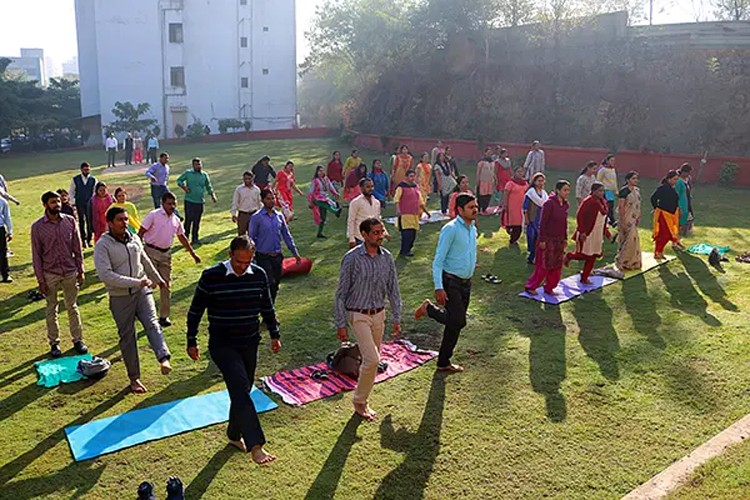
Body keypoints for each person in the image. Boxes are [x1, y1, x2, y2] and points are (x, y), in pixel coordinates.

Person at [186, 235, 281, 464]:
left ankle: (233, 434)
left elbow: (266, 307)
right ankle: (255, 445)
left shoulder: (258, 275)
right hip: (222, 345)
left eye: (247, 262)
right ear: (230, 255)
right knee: (239, 388)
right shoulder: (211, 276)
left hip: (249, 342)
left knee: (243, 390)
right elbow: (196, 310)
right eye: (239, 261)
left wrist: (274, 334)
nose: (242, 266)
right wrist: (192, 340)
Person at [94, 206, 171, 394]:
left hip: (142, 293)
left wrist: (159, 280)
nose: (125, 223)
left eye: (126, 219)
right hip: (120, 298)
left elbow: (144, 261)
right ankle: (134, 378)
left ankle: (163, 358)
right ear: (110, 223)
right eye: (120, 220)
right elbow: (106, 275)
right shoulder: (103, 245)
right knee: (128, 337)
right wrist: (138, 281)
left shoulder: (134, 239)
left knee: (152, 324)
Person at [335, 218, 402, 420]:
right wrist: (341, 323)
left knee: (371, 360)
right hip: (358, 314)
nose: (380, 236)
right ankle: (360, 401)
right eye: (375, 232)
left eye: (382, 232)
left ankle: (364, 399)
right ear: (363, 234)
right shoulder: (352, 258)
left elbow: (393, 289)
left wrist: (397, 317)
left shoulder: (387, 257)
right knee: (373, 359)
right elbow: (340, 293)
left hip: (379, 314)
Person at [414, 194, 478, 373]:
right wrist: (438, 287)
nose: (475, 210)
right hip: (451, 282)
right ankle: (429, 309)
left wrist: (470, 264)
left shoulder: (472, 229)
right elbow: (438, 261)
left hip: (466, 283)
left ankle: (443, 362)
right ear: (460, 210)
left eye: (476, 206)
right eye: (471, 207)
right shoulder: (450, 229)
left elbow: (466, 251)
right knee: (459, 321)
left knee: (454, 325)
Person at [31, 191, 88, 358]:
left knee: (72, 307)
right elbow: (36, 255)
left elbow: (77, 248)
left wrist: (81, 270)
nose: (57, 204)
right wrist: (40, 280)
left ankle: (77, 340)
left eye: (58, 201)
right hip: (50, 273)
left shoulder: (70, 222)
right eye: (52, 202)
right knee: (51, 308)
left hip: (70, 271)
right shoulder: (38, 227)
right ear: (45, 205)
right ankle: (54, 343)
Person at [139, 191, 201, 327]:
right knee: (151, 283)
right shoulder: (153, 215)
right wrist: (137, 252)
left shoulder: (176, 219)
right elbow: (141, 232)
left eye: (174, 204)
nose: (172, 206)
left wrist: (193, 254)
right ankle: (144, 313)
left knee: (165, 285)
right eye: (169, 204)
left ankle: (163, 317)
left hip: (166, 255)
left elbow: (182, 238)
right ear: (162, 203)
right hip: (150, 251)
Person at [249, 189, 301, 303]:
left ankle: (269, 307)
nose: (271, 201)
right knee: (269, 283)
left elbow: (287, 235)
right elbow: (251, 238)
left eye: (273, 198)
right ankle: (266, 308)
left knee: (276, 284)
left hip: (277, 256)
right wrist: (250, 257)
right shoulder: (256, 217)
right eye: (268, 199)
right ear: (262, 200)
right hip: (263, 256)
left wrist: (295, 253)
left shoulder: (279, 216)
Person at [524, 181, 571, 296]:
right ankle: (531, 286)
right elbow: (543, 223)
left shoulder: (565, 205)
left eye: (568, 190)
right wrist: (542, 240)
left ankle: (549, 287)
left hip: (559, 239)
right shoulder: (549, 204)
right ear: (558, 190)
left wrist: (565, 238)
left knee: (556, 265)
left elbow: (564, 222)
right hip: (548, 239)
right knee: (544, 265)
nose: (567, 193)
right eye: (564, 190)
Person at [565, 182, 611, 285]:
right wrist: (582, 231)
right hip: (588, 232)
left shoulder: (603, 201)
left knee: (593, 255)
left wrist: (607, 232)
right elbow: (579, 215)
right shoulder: (588, 201)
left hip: (597, 233)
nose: (601, 193)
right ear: (593, 191)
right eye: (599, 190)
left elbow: (603, 219)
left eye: (603, 191)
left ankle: (584, 277)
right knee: (584, 254)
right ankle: (569, 256)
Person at [176, 158, 217, 245]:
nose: (198, 166)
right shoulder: (188, 173)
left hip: (200, 201)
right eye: (196, 165)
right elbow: (179, 180)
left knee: (197, 221)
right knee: (188, 220)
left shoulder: (204, 175)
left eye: (199, 164)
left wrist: (212, 195)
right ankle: (185, 237)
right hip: (189, 200)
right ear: (193, 165)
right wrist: (184, 187)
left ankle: (195, 238)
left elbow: (208, 186)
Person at [394, 170, 428, 257]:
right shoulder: (401, 187)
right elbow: (397, 199)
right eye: (411, 176)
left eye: (414, 176)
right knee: (407, 234)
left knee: (413, 234)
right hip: (405, 214)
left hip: (414, 214)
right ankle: (404, 251)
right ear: (406, 177)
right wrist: (398, 209)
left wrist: (426, 211)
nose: (412, 178)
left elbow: (420, 200)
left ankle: (408, 249)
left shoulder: (415, 187)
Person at [650, 170, 684, 259]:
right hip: (663, 214)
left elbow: (674, 200)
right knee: (665, 234)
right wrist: (656, 208)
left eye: (677, 180)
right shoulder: (663, 188)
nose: (675, 182)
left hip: (671, 214)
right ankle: (658, 252)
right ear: (668, 179)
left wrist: (678, 209)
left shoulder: (672, 188)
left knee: (667, 234)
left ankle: (659, 252)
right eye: (674, 179)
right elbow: (653, 198)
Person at [347, 178, 388, 248]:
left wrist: (385, 232)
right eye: (368, 187)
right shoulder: (355, 202)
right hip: (360, 238)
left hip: (374, 238)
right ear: (361, 188)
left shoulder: (376, 202)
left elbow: (378, 219)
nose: (371, 189)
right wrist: (351, 239)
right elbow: (351, 221)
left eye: (372, 186)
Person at [615, 171, 642, 271]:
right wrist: (622, 221)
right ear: (628, 180)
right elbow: (621, 207)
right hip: (626, 218)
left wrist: (639, 215)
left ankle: (633, 261)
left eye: (636, 178)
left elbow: (638, 204)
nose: (635, 180)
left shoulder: (637, 190)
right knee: (626, 240)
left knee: (634, 240)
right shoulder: (624, 191)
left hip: (634, 218)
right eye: (633, 178)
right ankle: (622, 261)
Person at [308, 165, 342, 239]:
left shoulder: (326, 179)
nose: (321, 172)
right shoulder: (315, 181)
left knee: (323, 217)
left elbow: (330, 187)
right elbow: (310, 191)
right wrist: (310, 201)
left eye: (322, 170)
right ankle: (336, 211)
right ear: (317, 172)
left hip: (324, 197)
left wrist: (335, 193)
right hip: (316, 199)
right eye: (319, 171)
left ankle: (319, 233)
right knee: (326, 204)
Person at [69, 162, 97, 247]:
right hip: (79, 202)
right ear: (81, 170)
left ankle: (89, 239)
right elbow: (71, 191)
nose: (86, 171)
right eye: (85, 170)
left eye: (88, 169)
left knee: (89, 221)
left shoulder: (93, 180)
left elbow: (94, 192)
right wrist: (73, 202)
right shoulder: (75, 179)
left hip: (89, 203)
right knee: (81, 221)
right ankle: (83, 239)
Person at [523, 173, 548, 265]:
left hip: (541, 219)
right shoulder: (530, 193)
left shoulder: (544, 194)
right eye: (539, 181)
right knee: (531, 237)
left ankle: (536, 257)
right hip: (532, 218)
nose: (541, 183)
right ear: (534, 182)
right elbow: (525, 207)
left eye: (542, 181)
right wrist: (526, 218)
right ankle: (531, 256)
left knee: (539, 238)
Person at [502, 167, 529, 245]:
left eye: (521, 172)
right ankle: (512, 238)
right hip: (512, 207)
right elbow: (506, 194)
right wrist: (505, 205)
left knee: (520, 224)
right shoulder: (510, 183)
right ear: (514, 173)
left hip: (521, 207)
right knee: (513, 223)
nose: (520, 173)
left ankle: (514, 238)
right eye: (518, 172)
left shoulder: (525, 183)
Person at [231, 171, 262, 236]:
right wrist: (233, 214)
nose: (247, 181)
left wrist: (261, 214)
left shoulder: (256, 190)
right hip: (243, 214)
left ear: (252, 178)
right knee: (241, 234)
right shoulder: (239, 189)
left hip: (253, 214)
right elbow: (235, 202)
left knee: (254, 233)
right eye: (245, 179)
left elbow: (259, 202)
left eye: (249, 179)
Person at [597, 154, 618, 227]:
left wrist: (616, 190)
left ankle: (609, 220)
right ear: (607, 161)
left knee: (611, 206)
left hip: (611, 191)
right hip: (605, 190)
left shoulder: (612, 170)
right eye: (611, 160)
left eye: (614, 161)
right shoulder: (603, 170)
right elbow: (598, 180)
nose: (613, 162)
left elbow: (614, 181)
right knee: (608, 205)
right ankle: (611, 220)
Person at [476, 148, 496, 214]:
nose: (489, 154)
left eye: (490, 152)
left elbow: (493, 171)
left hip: (490, 181)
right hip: (483, 181)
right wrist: (478, 180)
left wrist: (494, 179)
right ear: (485, 153)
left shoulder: (492, 162)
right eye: (488, 152)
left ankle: (485, 208)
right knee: (481, 195)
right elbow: (478, 172)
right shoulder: (482, 161)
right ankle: (479, 208)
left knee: (488, 194)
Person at [676, 163, 693, 236]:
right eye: (687, 173)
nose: (688, 174)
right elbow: (676, 193)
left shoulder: (688, 179)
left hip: (687, 201)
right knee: (680, 218)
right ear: (683, 172)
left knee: (688, 216)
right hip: (681, 202)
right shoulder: (678, 181)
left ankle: (685, 231)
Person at [0, 196, 12, 283]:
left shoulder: (3, 201)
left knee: (2, 252)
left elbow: (7, 216)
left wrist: (10, 231)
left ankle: (5, 275)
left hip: (0, 228)